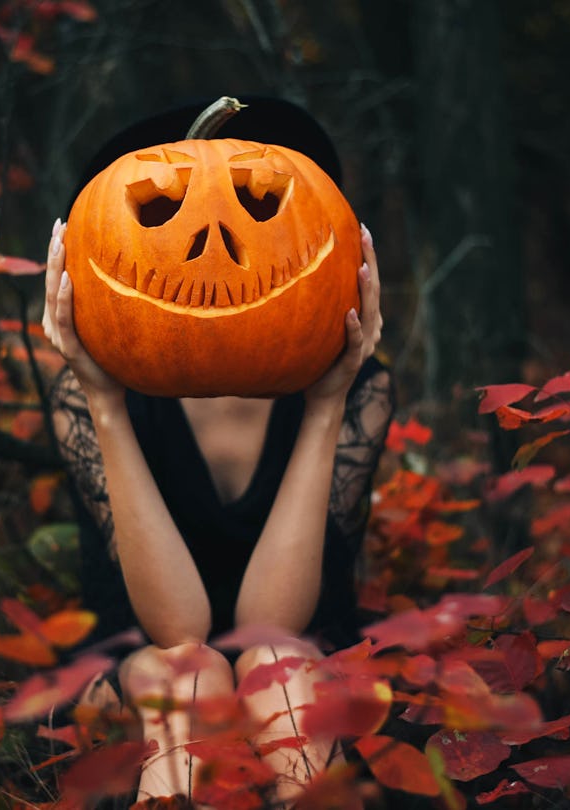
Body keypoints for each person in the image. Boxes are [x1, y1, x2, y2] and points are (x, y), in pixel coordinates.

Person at [43, 98, 394, 808]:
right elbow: (180, 633)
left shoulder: (357, 391)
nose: (216, 244)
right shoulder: (92, 395)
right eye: (160, 211)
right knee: (189, 674)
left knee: (278, 663)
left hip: (299, 656)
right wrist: (104, 400)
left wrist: (328, 405)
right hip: (141, 665)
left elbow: (271, 624)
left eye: (261, 203)